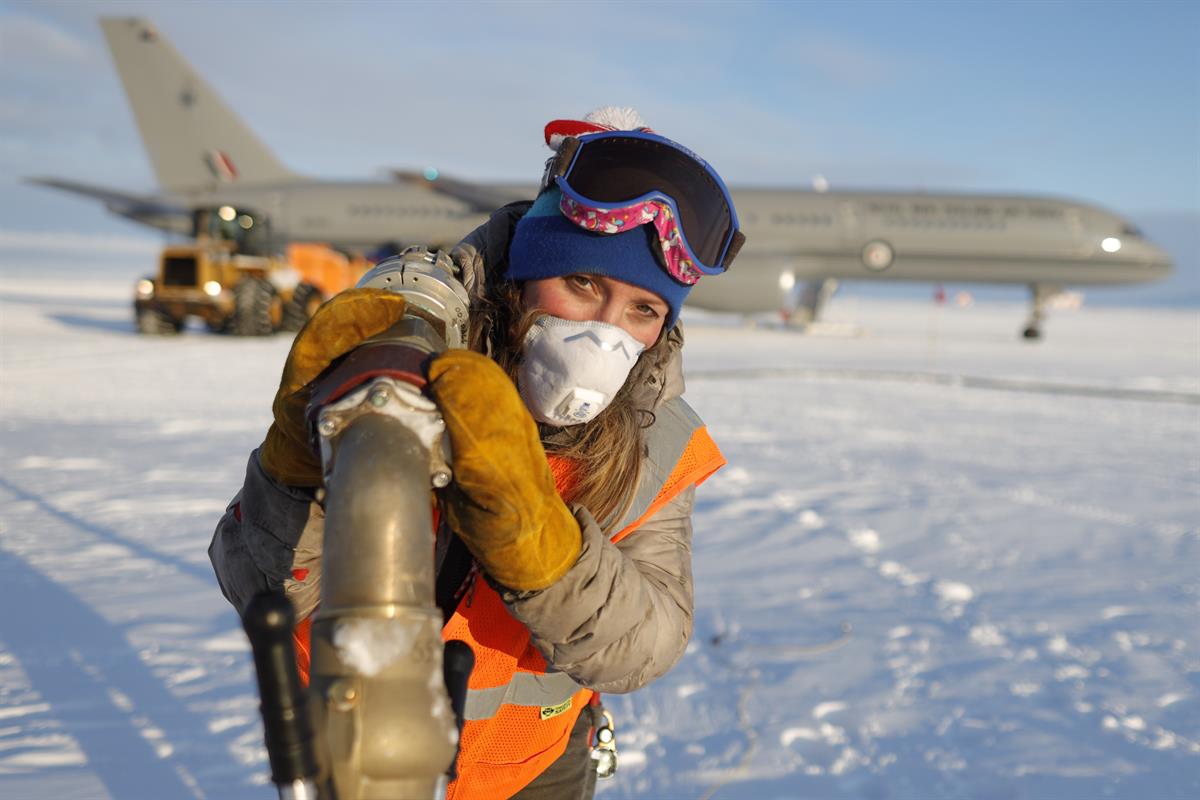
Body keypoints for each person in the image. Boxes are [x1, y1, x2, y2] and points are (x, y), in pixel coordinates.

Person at [209, 107, 744, 800]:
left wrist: (544, 549)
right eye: (583, 284)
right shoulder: (419, 367)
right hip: (360, 754)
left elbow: (649, 643)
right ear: (526, 269)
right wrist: (295, 469)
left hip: (534, 773)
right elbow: (258, 582)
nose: (604, 336)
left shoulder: (655, 441)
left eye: (642, 309)